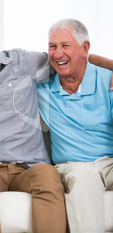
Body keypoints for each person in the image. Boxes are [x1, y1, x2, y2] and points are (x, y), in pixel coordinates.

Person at [37, 18, 113, 232]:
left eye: (65, 46)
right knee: (84, 175)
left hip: (110, 163)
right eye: (53, 47)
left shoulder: (108, 80)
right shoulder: (42, 87)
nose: (57, 53)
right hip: (73, 166)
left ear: (85, 48)